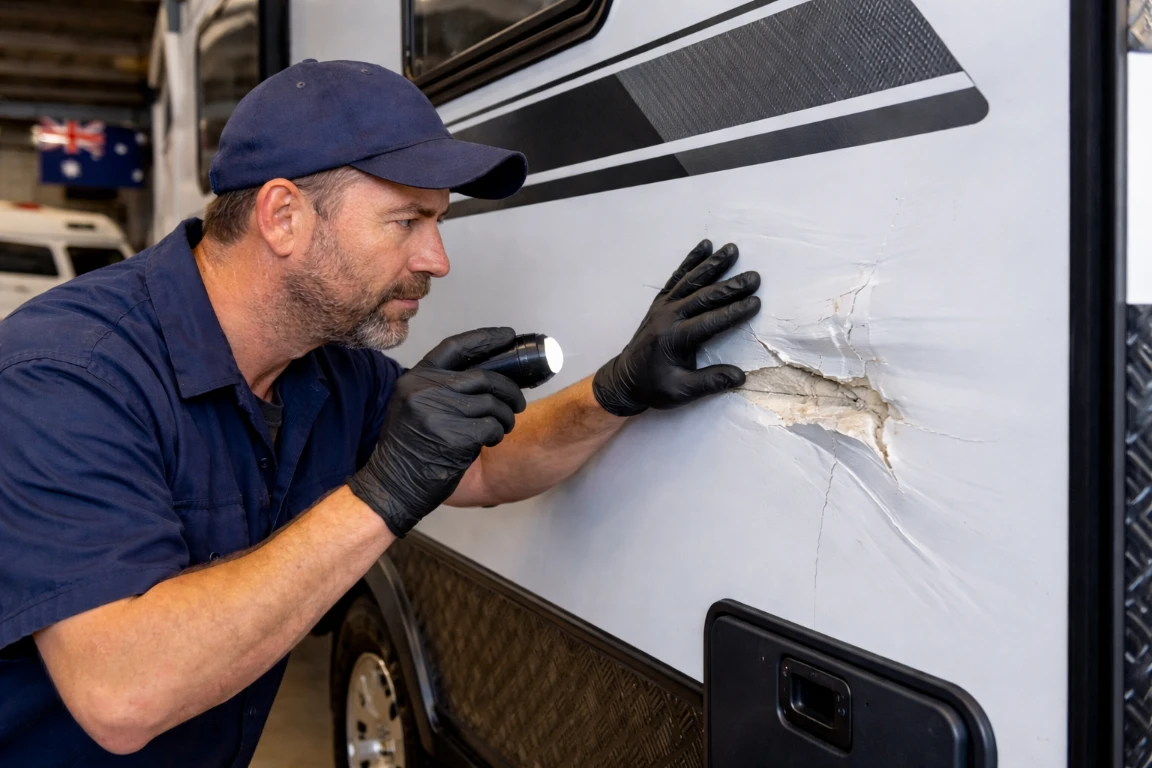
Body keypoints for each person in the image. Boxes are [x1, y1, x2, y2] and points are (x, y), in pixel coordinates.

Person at [0, 60, 760, 765]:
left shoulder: (326, 369)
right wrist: (381, 493)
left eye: (439, 223)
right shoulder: (69, 374)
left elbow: (486, 464)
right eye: (406, 221)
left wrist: (618, 389)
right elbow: (123, 694)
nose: (437, 259)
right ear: (283, 216)